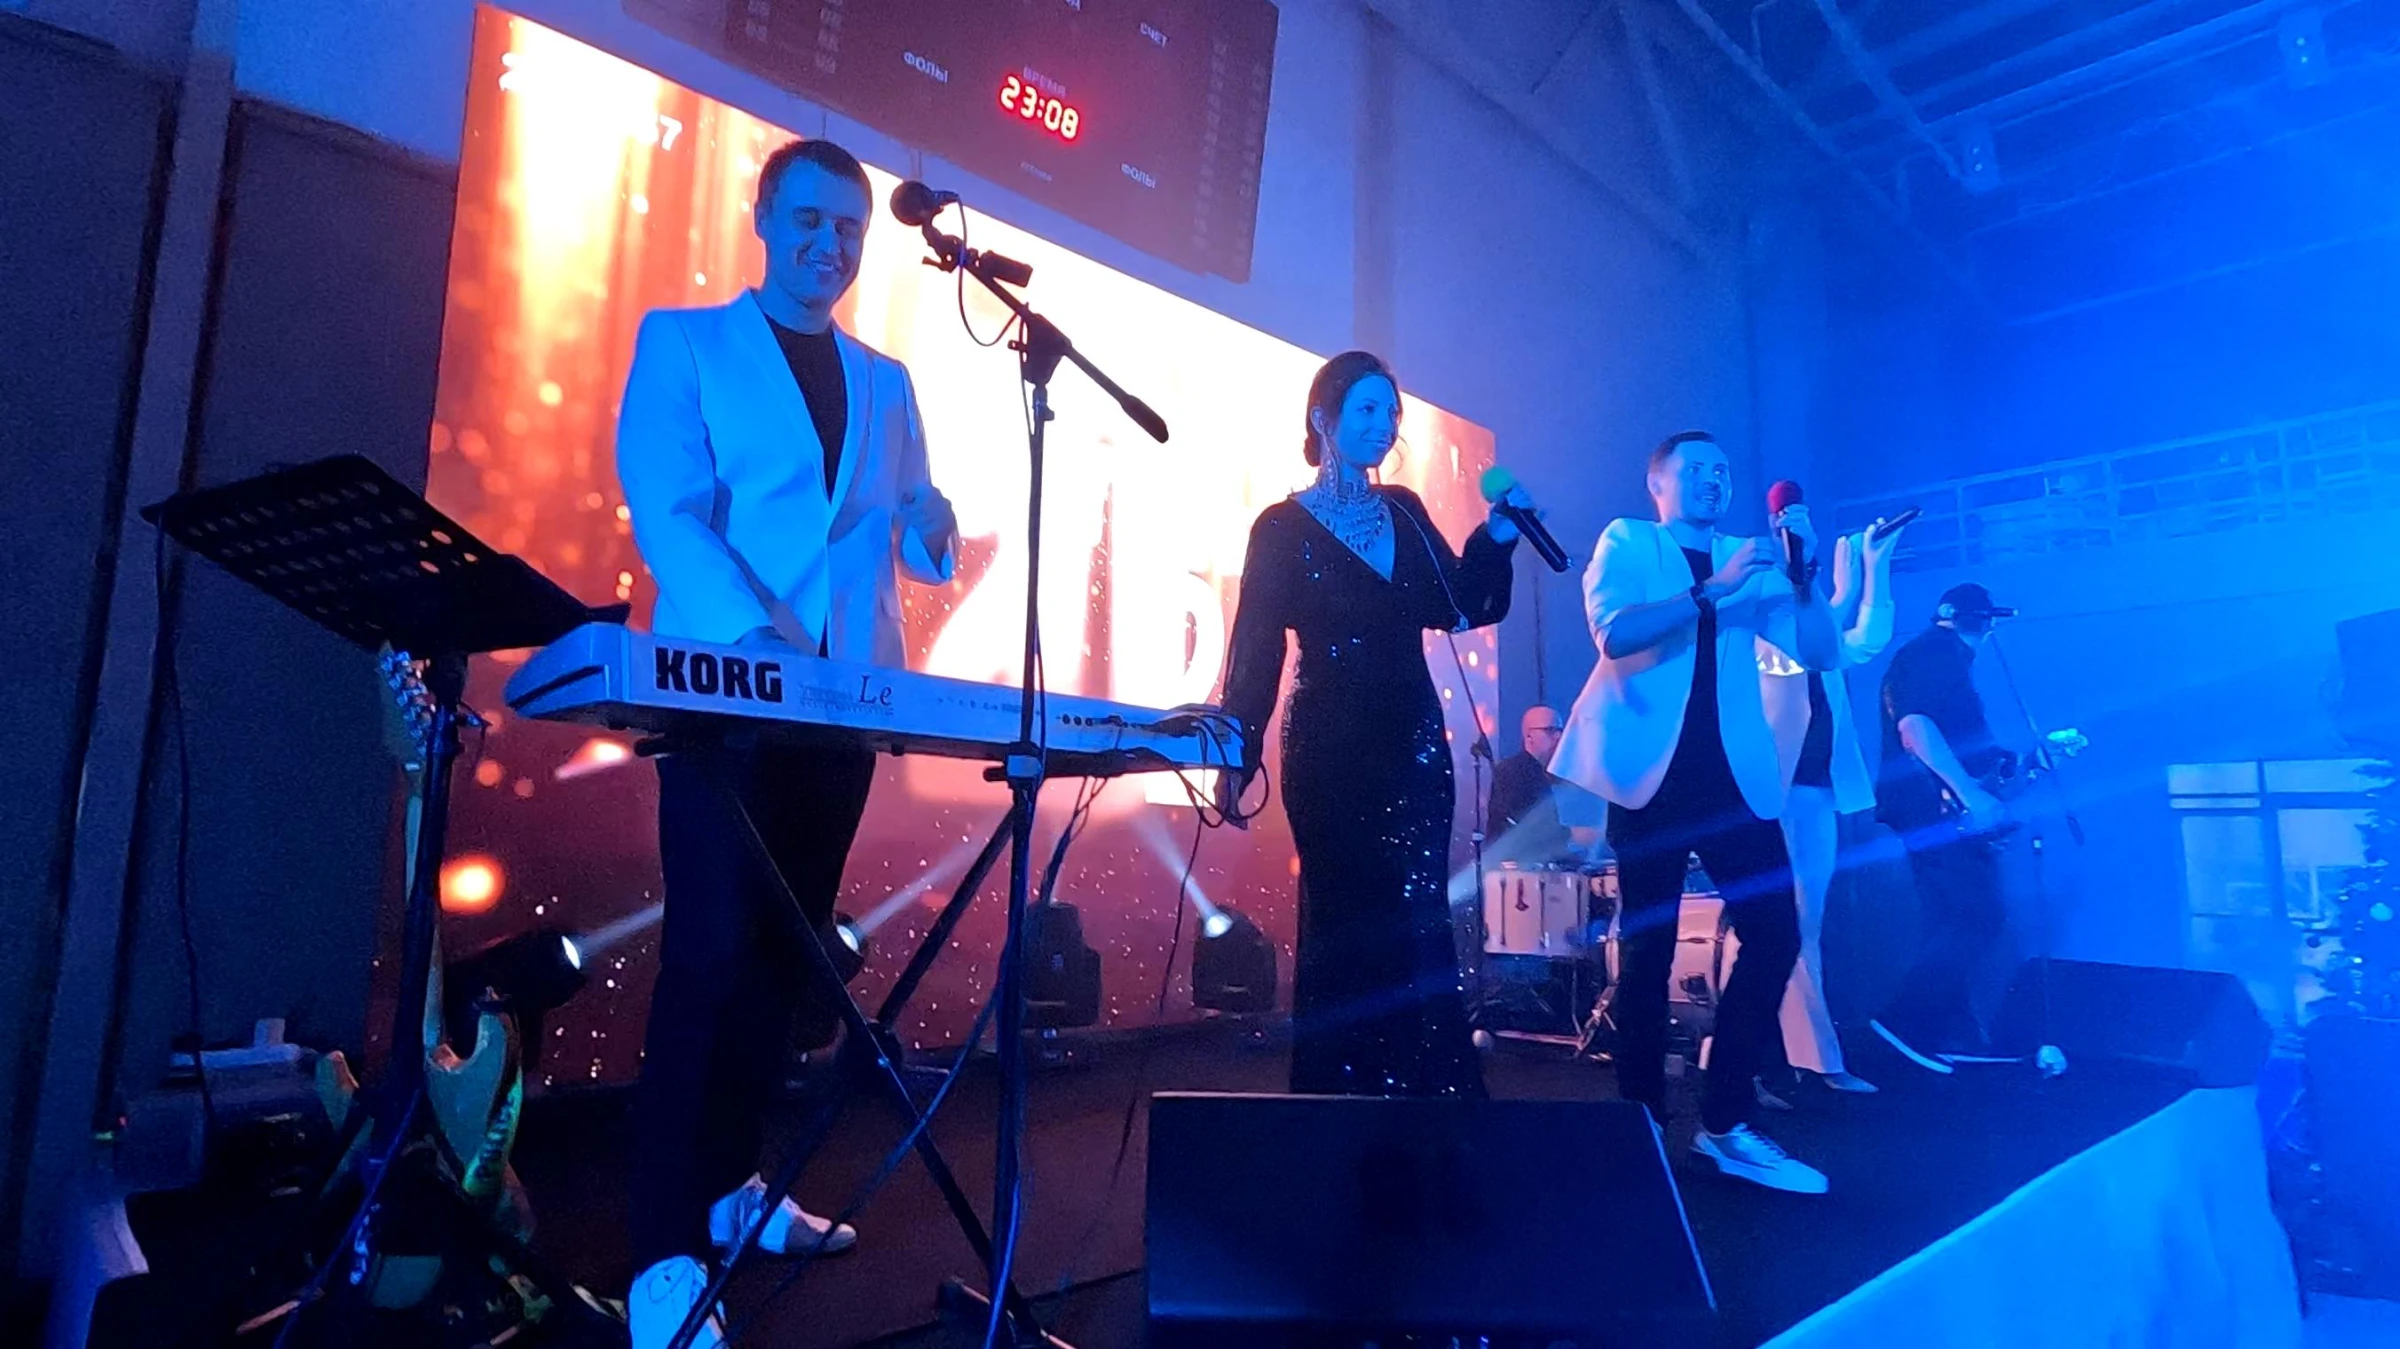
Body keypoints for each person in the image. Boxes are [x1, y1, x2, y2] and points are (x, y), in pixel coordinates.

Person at [614, 137, 959, 1349]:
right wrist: (755, 639)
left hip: (840, 705)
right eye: (810, 220)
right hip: (725, 694)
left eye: (849, 229)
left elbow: (912, 542)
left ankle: (733, 1186)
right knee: (709, 956)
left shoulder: (888, 379)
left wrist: (934, 525)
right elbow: (669, 509)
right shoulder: (685, 342)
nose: (831, 244)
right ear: (763, 217)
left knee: (783, 960)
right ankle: (660, 1252)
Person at [1216, 351, 1529, 1097]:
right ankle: (1344, 1097)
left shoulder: (1405, 510)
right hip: (1329, 744)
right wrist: (1235, 751)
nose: (1384, 425)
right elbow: (1256, 650)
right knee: (1345, 914)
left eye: (1391, 412)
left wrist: (1497, 540)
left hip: (1412, 739)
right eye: (1366, 409)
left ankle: (1426, 1100)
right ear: (1322, 417)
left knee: (1419, 912)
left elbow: (1462, 604)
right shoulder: (1279, 527)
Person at [1550, 431, 1838, 1194]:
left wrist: (1805, 575)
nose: (1715, 479)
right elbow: (1615, 633)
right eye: (1698, 468)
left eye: (1723, 470)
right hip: (1650, 778)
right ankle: (1641, 1124)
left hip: (1734, 778)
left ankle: (1725, 1118)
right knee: (1647, 952)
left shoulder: (1751, 555)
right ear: (1659, 482)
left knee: (1776, 931)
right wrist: (1712, 589)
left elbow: (1820, 651)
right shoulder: (1631, 540)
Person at [1757, 522, 1908, 1098]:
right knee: (1786, 928)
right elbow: (1799, 653)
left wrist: (1877, 566)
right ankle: (1801, 1059)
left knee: (1805, 927)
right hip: (1774, 797)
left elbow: (1865, 641)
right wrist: (1840, 594)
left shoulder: (1817, 631)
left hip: (1817, 794)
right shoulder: (1759, 628)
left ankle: (1797, 1057)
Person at [1868, 583, 2017, 1075]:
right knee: (1979, 915)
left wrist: (2005, 771)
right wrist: (1972, 795)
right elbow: (1915, 727)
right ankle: (1904, 1021)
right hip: (1930, 809)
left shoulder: (1941, 657)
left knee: (1949, 915)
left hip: (1932, 808)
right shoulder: (1935, 652)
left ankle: (1945, 1032)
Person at [1488, 705, 1575, 865]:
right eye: (1550, 730)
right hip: (1516, 866)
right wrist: (1572, 834)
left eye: (1561, 730)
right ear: (1529, 736)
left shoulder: (1557, 774)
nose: (1558, 737)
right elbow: (1526, 824)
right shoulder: (1511, 771)